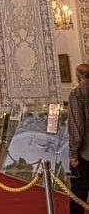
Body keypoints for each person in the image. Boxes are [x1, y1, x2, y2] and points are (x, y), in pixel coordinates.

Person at [69, 63, 89, 213]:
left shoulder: (77, 94)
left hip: (85, 153)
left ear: (77, 77)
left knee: (79, 193)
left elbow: (77, 126)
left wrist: (74, 153)